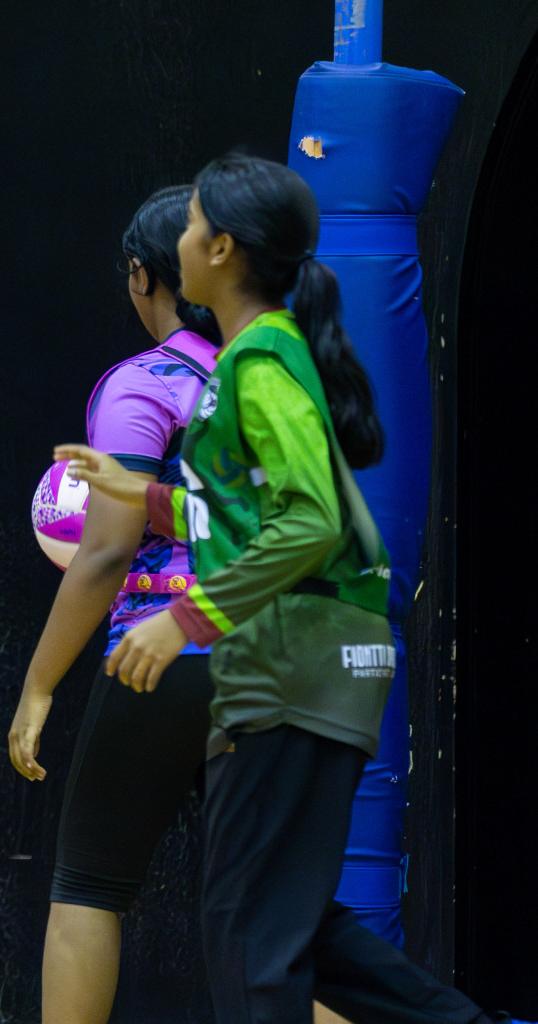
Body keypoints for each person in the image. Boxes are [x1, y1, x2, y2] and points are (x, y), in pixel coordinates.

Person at [56, 153, 529, 1024]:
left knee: (249, 937)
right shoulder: (259, 355)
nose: (183, 238)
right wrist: (142, 495)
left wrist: (181, 621)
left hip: (297, 660)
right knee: (289, 928)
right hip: (319, 659)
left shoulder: (260, 362)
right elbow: (252, 510)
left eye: (195, 224)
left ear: (224, 249)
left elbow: (309, 522)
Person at [7, 185, 221, 1024]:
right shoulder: (269, 374)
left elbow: (104, 549)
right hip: (271, 657)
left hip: (161, 654)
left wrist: (39, 685)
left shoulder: (144, 384)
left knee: (88, 886)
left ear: (141, 277)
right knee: (279, 910)